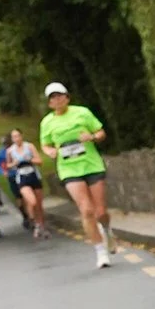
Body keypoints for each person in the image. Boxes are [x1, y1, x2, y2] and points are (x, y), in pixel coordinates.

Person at [41, 82, 113, 265]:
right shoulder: (47, 122)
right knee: (86, 210)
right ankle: (100, 251)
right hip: (69, 169)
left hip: (91, 165)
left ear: (67, 97)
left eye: (60, 95)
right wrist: (49, 151)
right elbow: (45, 144)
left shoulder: (82, 112)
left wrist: (93, 137)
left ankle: (107, 229)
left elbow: (100, 132)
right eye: (53, 98)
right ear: (49, 103)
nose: (57, 100)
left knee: (101, 211)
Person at [4, 128, 50, 239]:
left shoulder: (29, 146)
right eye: (14, 137)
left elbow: (40, 161)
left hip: (33, 175)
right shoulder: (10, 151)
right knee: (32, 202)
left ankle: (41, 226)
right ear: (12, 139)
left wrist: (30, 160)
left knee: (39, 205)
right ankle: (35, 223)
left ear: (22, 136)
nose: (17, 139)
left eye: (18, 136)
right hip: (22, 177)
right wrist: (14, 163)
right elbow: (8, 165)